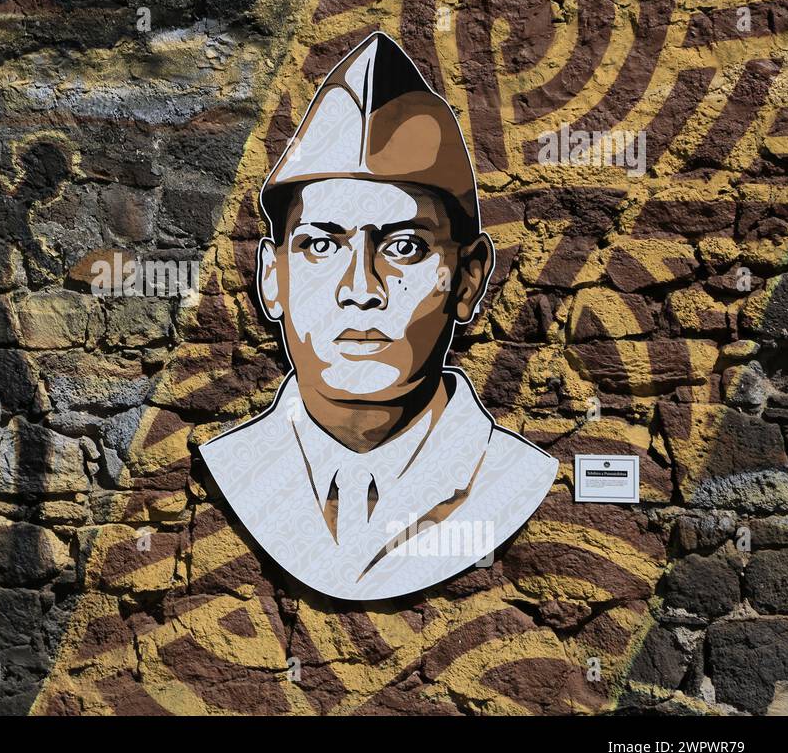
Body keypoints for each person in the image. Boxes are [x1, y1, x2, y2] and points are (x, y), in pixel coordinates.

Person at [199, 32, 558, 601]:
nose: (360, 290)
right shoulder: (232, 468)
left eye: (404, 248)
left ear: (469, 279)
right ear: (272, 277)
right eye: (320, 246)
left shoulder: (508, 478)